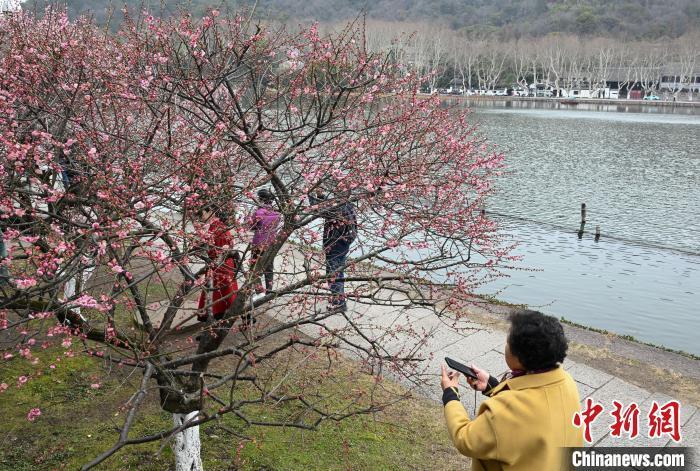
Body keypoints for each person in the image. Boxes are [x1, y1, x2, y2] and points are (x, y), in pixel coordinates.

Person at [440, 309, 582, 470]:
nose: (505, 345)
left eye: (507, 342)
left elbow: (465, 440)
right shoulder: (567, 382)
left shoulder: (504, 411)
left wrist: (450, 393)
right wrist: (491, 385)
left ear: (519, 357)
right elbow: (529, 412)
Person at [309, 189, 357, 312]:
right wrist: (321, 196)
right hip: (343, 244)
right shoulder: (348, 205)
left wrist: (310, 195)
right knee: (338, 271)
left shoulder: (338, 209)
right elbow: (328, 207)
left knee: (333, 272)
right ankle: (337, 296)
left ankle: (339, 302)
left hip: (335, 244)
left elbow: (318, 209)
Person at [197, 207, 239, 322]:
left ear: (211, 212)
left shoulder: (215, 228)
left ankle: (214, 323)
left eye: (203, 213)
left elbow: (213, 250)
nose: (201, 217)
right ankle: (244, 315)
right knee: (227, 293)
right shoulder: (221, 227)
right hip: (225, 265)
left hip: (219, 266)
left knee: (218, 295)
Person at [247, 188, 281, 294]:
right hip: (271, 244)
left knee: (254, 267)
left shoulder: (258, 212)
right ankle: (269, 291)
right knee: (269, 267)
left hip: (258, 243)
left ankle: (259, 290)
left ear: (261, 199)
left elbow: (251, 226)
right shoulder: (277, 213)